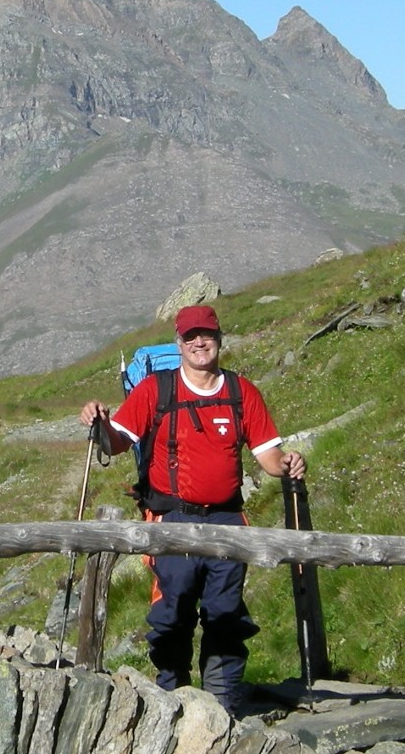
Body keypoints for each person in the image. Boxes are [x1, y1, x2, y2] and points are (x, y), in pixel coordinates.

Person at [79, 305, 305, 713]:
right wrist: (99, 423)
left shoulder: (242, 392)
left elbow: (268, 456)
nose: (200, 343)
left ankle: (223, 706)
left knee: (226, 613)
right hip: (171, 519)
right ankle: (173, 701)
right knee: (172, 611)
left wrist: (286, 463)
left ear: (219, 339)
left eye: (207, 335)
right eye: (191, 337)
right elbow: (117, 442)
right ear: (179, 343)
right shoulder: (156, 390)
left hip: (227, 519)